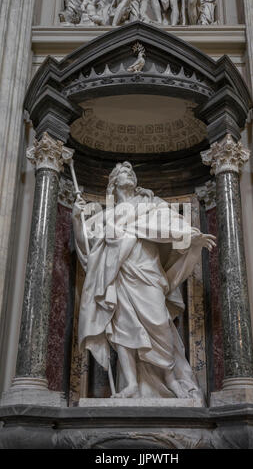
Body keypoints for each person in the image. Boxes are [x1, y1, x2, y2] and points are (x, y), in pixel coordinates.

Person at [72, 162, 216, 399]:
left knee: (159, 324)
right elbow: (88, 251)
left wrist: (192, 237)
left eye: (131, 172)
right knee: (123, 330)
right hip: (117, 275)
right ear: (113, 182)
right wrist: (78, 220)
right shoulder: (105, 216)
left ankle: (171, 378)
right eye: (122, 172)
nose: (128, 174)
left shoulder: (151, 205)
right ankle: (131, 385)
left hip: (147, 272)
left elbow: (173, 224)